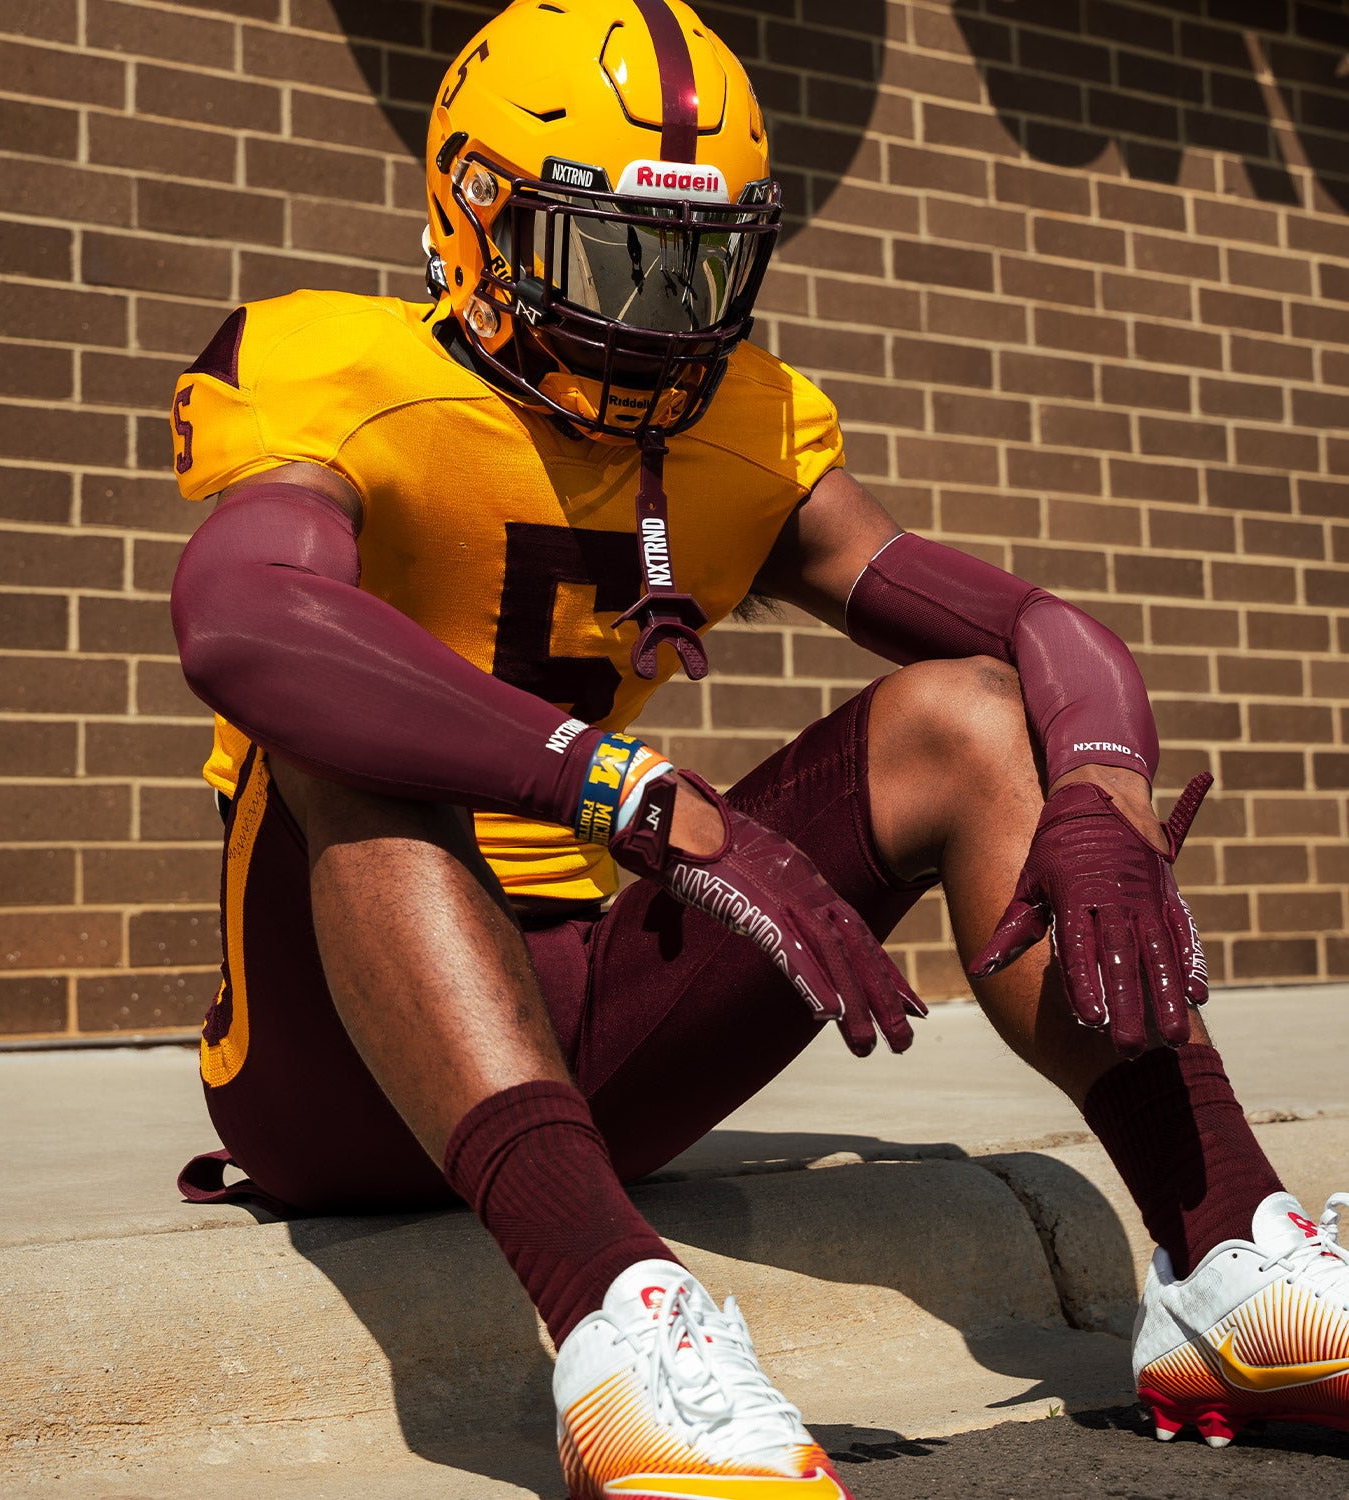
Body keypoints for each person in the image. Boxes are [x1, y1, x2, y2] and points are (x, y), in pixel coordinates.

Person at [166, 1, 1349, 1491]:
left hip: (580, 1011)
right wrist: (616, 781)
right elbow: (242, 618)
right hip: (328, 1068)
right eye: (613, 253)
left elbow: (1036, 623)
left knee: (972, 712)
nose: (661, 313)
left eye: (701, 259)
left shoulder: (747, 423)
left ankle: (1228, 1254)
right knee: (335, 724)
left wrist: (1101, 791)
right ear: (474, 219)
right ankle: (615, 1325)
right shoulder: (337, 364)